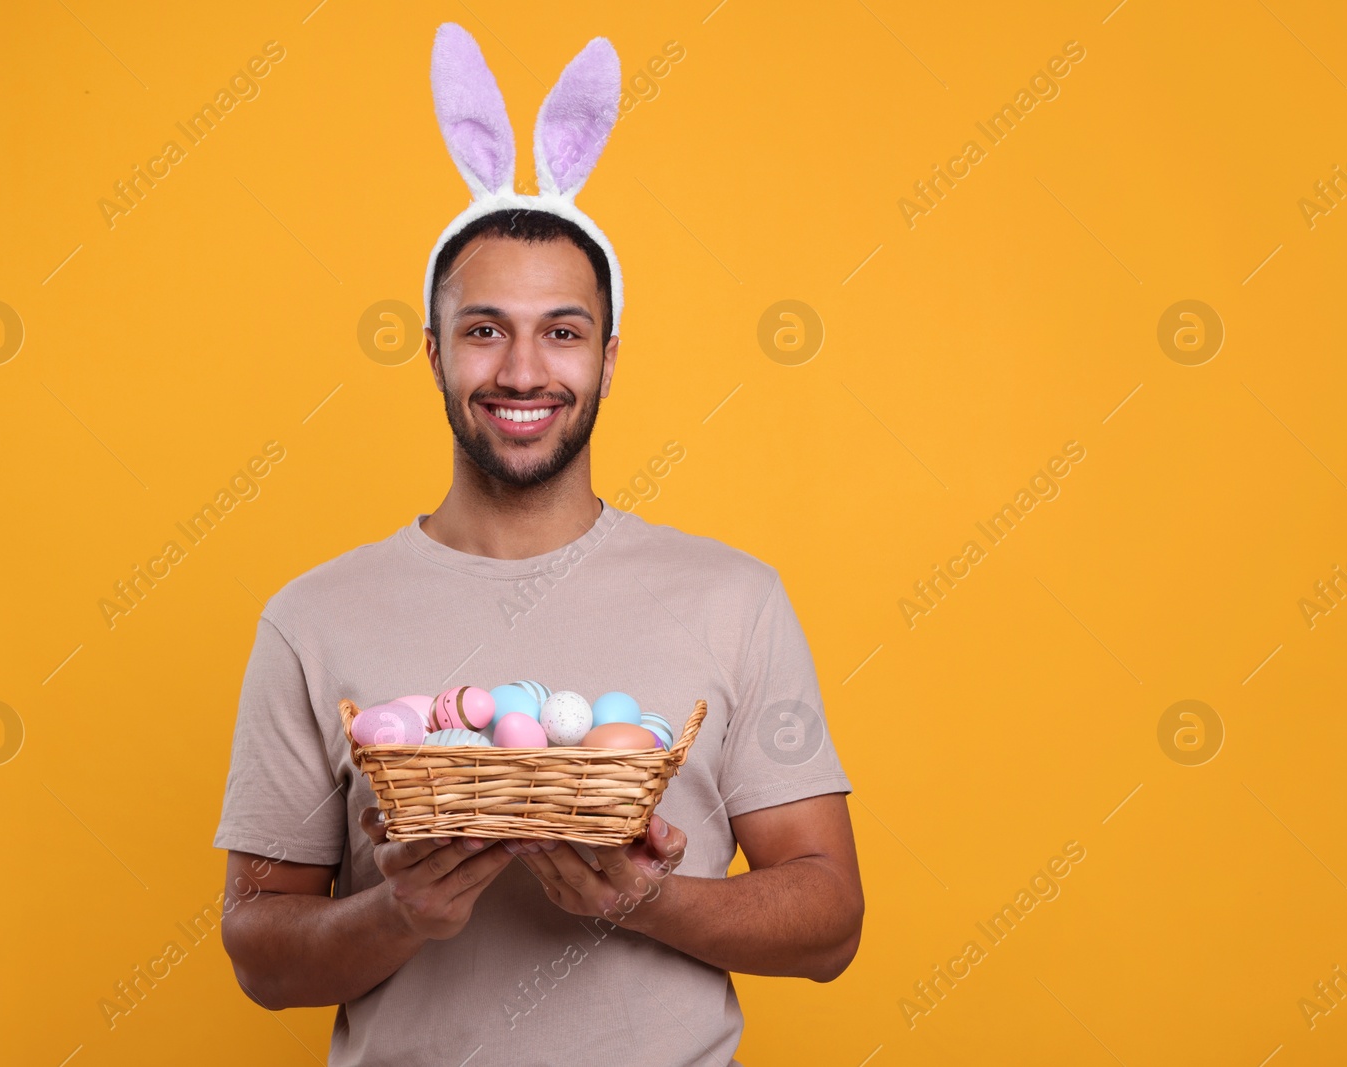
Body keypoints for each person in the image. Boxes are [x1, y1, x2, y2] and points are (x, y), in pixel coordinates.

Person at [212, 23, 862, 1066]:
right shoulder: (312, 618)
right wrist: (397, 913)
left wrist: (647, 901)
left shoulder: (733, 597)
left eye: (562, 331)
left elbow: (831, 918)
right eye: (483, 329)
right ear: (431, 350)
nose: (523, 370)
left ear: (608, 355)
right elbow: (258, 947)